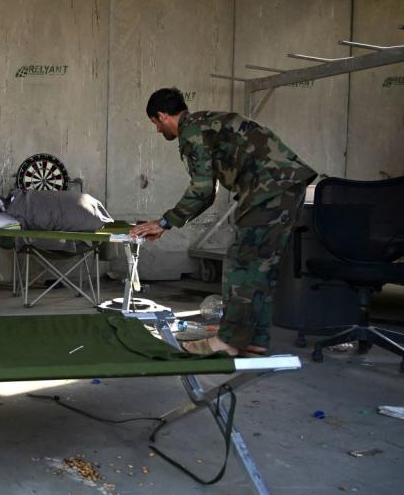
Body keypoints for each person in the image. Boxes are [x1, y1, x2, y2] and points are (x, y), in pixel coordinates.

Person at [129, 88, 316, 356]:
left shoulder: (191, 131)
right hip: (286, 185)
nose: (158, 131)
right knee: (261, 267)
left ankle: (227, 341)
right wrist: (169, 222)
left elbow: (203, 189)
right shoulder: (206, 123)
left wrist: (165, 223)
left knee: (242, 263)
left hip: (269, 188)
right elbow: (209, 192)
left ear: (162, 116)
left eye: (156, 124)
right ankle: (255, 339)